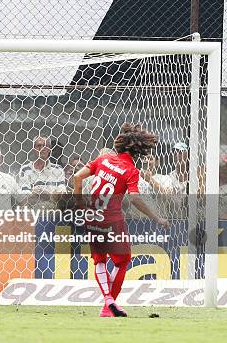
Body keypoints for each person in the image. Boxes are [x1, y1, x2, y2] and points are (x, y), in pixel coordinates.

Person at [73, 123, 169, 318]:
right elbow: (134, 199)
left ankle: (107, 300)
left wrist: (80, 204)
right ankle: (108, 305)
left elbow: (77, 177)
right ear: (138, 151)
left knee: (99, 261)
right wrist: (156, 217)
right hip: (112, 219)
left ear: (119, 144)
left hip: (92, 216)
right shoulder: (131, 170)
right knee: (122, 260)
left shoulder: (103, 159)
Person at [19, 136, 66, 209]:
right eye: (39, 146)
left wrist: (48, 195)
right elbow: (24, 198)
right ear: (34, 148)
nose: (42, 148)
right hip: (33, 214)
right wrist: (52, 194)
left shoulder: (58, 169)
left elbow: (62, 195)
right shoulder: (25, 169)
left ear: (50, 148)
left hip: (53, 213)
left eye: (45, 146)